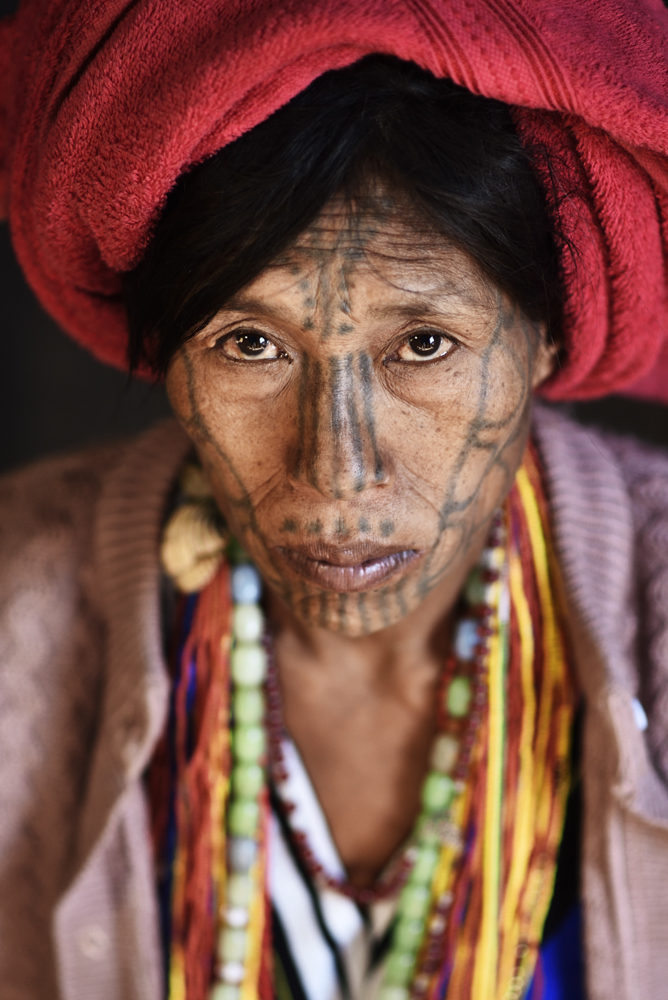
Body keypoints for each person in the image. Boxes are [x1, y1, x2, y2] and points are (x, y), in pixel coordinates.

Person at [1, 4, 668, 1000]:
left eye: (424, 345)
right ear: (167, 359)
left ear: (545, 334)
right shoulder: (22, 603)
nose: (335, 469)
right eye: (250, 344)